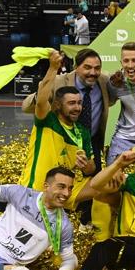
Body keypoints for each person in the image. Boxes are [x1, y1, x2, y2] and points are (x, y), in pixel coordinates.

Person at [19, 51, 99, 212]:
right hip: (35, 191)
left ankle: (100, 229)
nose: (77, 108)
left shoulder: (82, 132)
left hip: (63, 192)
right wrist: (53, 67)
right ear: (57, 105)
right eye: (71, 103)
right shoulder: (47, 120)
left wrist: (86, 166)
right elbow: (41, 99)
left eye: (79, 103)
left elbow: (91, 169)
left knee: (109, 187)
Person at [22, 48, 112, 175]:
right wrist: (41, 97)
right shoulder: (58, 81)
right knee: (60, 184)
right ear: (76, 67)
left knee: (92, 180)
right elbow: (26, 106)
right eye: (87, 67)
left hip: (90, 142)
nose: (93, 72)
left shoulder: (104, 81)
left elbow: (127, 77)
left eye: (97, 68)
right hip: (61, 143)